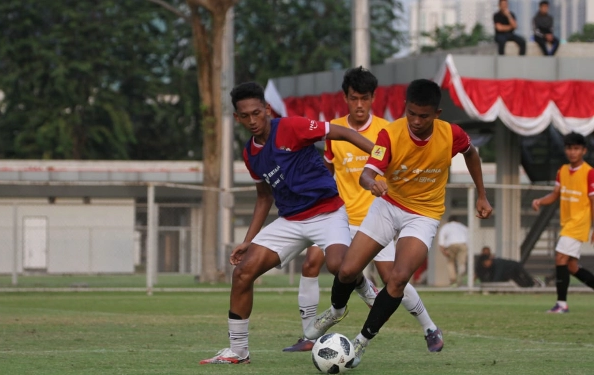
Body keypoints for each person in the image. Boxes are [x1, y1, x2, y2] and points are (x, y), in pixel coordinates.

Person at [304, 79, 493, 368]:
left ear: (437, 114)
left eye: (424, 116)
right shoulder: (389, 134)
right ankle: (336, 310)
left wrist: (482, 194)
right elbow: (367, 173)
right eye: (412, 113)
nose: (416, 121)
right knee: (347, 270)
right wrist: (372, 184)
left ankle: (360, 342)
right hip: (388, 205)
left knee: (397, 277)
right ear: (405, 108)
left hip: (424, 214)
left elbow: (471, 154)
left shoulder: (451, 134)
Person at [199, 81, 376, 365]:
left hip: (328, 212)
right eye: (245, 116)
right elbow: (263, 198)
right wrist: (248, 240)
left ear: (267, 109)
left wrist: (381, 158)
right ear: (237, 118)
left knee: (339, 267)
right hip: (291, 220)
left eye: (257, 113)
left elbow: (341, 131)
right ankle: (238, 352)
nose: (253, 120)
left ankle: (363, 286)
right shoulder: (250, 154)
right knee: (242, 273)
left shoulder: (291, 127)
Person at [283, 67, 443, 353]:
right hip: (339, 218)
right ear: (346, 98)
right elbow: (327, 171)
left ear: (373, 98)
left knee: (392, 275)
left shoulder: (387, 130)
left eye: (365, 98)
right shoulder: (334, 131)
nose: (359, 104)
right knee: (311, 264)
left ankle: (428, 326)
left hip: (376, 217)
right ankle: (309, 336)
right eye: (354, 98)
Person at [532, 132, 594, 313]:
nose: (572, 152)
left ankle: (561, 304)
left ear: (584, 150)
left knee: (560, 256)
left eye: (576, 148)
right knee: (572, 266)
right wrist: (540, 201)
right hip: (567, 223)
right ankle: (561, 303)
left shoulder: (589, 173)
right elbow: (555, 195)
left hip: (579, 223)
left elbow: (592, 201)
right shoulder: (563, 171)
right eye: (569, 148)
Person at [438, 215, 468, 287]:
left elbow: (441, 240)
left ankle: (453, 280)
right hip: (463, 244)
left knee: (450, 262)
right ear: (457, 221)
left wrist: (443, 251)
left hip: (451, 245)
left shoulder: (446, 226)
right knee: (461, 262)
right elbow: (468, 238)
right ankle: (461, 278)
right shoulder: (463, 227)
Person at [476, 254, 540, 287]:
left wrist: (491, 284)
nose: (486, 265)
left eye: (486, 263)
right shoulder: (491, 267)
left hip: (515, 266)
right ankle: (529, 286)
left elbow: (497, 275)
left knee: (526, 277)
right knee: (520, 282)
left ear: (489, 260)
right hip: (510, 273)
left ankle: (534, 282)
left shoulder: (497, 263)